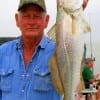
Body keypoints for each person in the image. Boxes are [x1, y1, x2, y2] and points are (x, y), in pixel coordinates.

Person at [0, 0, 62, 100]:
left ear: (46, 20)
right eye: (26, 16)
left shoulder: (59, 53)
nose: (31, 22)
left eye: (37, 16)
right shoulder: (2, 53)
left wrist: (74, 16)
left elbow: (74, 52)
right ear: (17, 20)